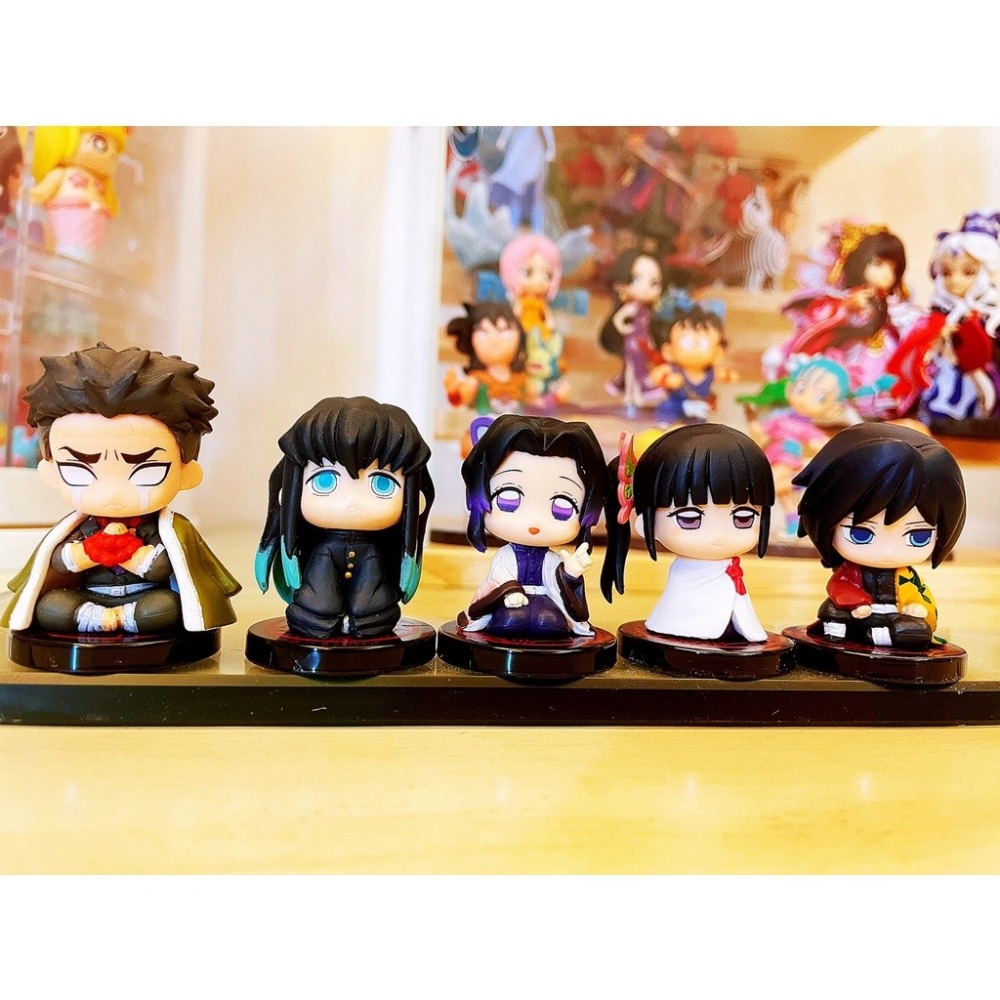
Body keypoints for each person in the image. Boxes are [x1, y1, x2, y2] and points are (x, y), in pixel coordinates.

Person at [2, 343, 240, 635]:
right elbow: (60, 562)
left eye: (146, 470)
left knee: (166, 606)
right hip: (90, 595)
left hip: (144, 595)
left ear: (186, 472)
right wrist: (91, 552)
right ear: (50, 472)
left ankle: (125, 617)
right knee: (53, 606)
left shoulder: (165, 529)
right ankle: (95, 617)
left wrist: (126, 552)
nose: (112, 492)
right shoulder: (82, 528)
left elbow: (161, 567)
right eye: (79, 470)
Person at [255, 396, 434, 639]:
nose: (352, 501)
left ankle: (367, 621)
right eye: (325, 481)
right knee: (318, 603)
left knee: (371, 606)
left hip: (370, 556)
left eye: (382, 484)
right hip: (326, 553)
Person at [793, 422, 966, 649]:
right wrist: (856, 602)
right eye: (861, 534)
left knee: (914, 629)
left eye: (918, 536)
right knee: (832, 610)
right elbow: (839, 586)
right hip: (856, 613)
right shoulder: (850, 572)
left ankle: (884, 637)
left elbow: (918, 595)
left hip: (893, 615)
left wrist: (915, 606)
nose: (888, 551)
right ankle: (838, 633)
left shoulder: (905, 577)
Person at [602, 423, 775, 642]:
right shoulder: (684, 574)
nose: (719, 535)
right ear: (646, 524)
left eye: (743, 518)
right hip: (681, 625)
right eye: (690, 519)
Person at [458, 414, 609, 637]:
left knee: (548, 621)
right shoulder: (505, 556)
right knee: (512, 619)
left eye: (562, 507)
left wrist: (571, 574)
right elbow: (499, 579)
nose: (534, 521)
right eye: (509, 499)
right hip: (509, 601)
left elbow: (560, 585)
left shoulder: (553, 559)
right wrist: (510, 591)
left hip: (547, 602)